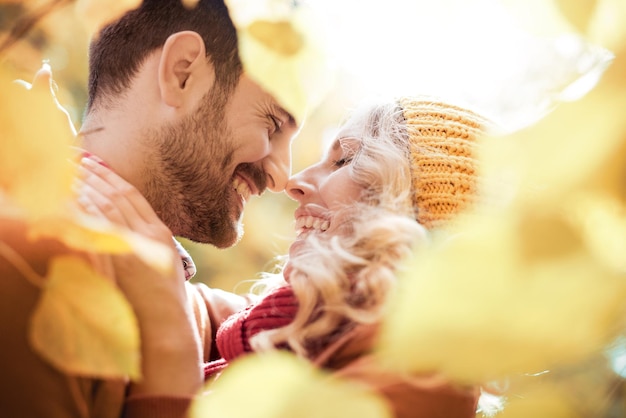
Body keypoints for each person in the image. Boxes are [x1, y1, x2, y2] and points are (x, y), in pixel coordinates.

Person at [78, 96, 495, 417]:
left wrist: (167, 333)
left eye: (345, 159)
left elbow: (170, 305)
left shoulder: (422, 382)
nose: (294, 182)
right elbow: (185, 300)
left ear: (416, 216)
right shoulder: (298, 324)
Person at [0, 0, 301, 416]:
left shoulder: (182, 299)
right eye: (270, 123)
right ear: (182, 72)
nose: (283, 177)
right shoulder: (28, 262)